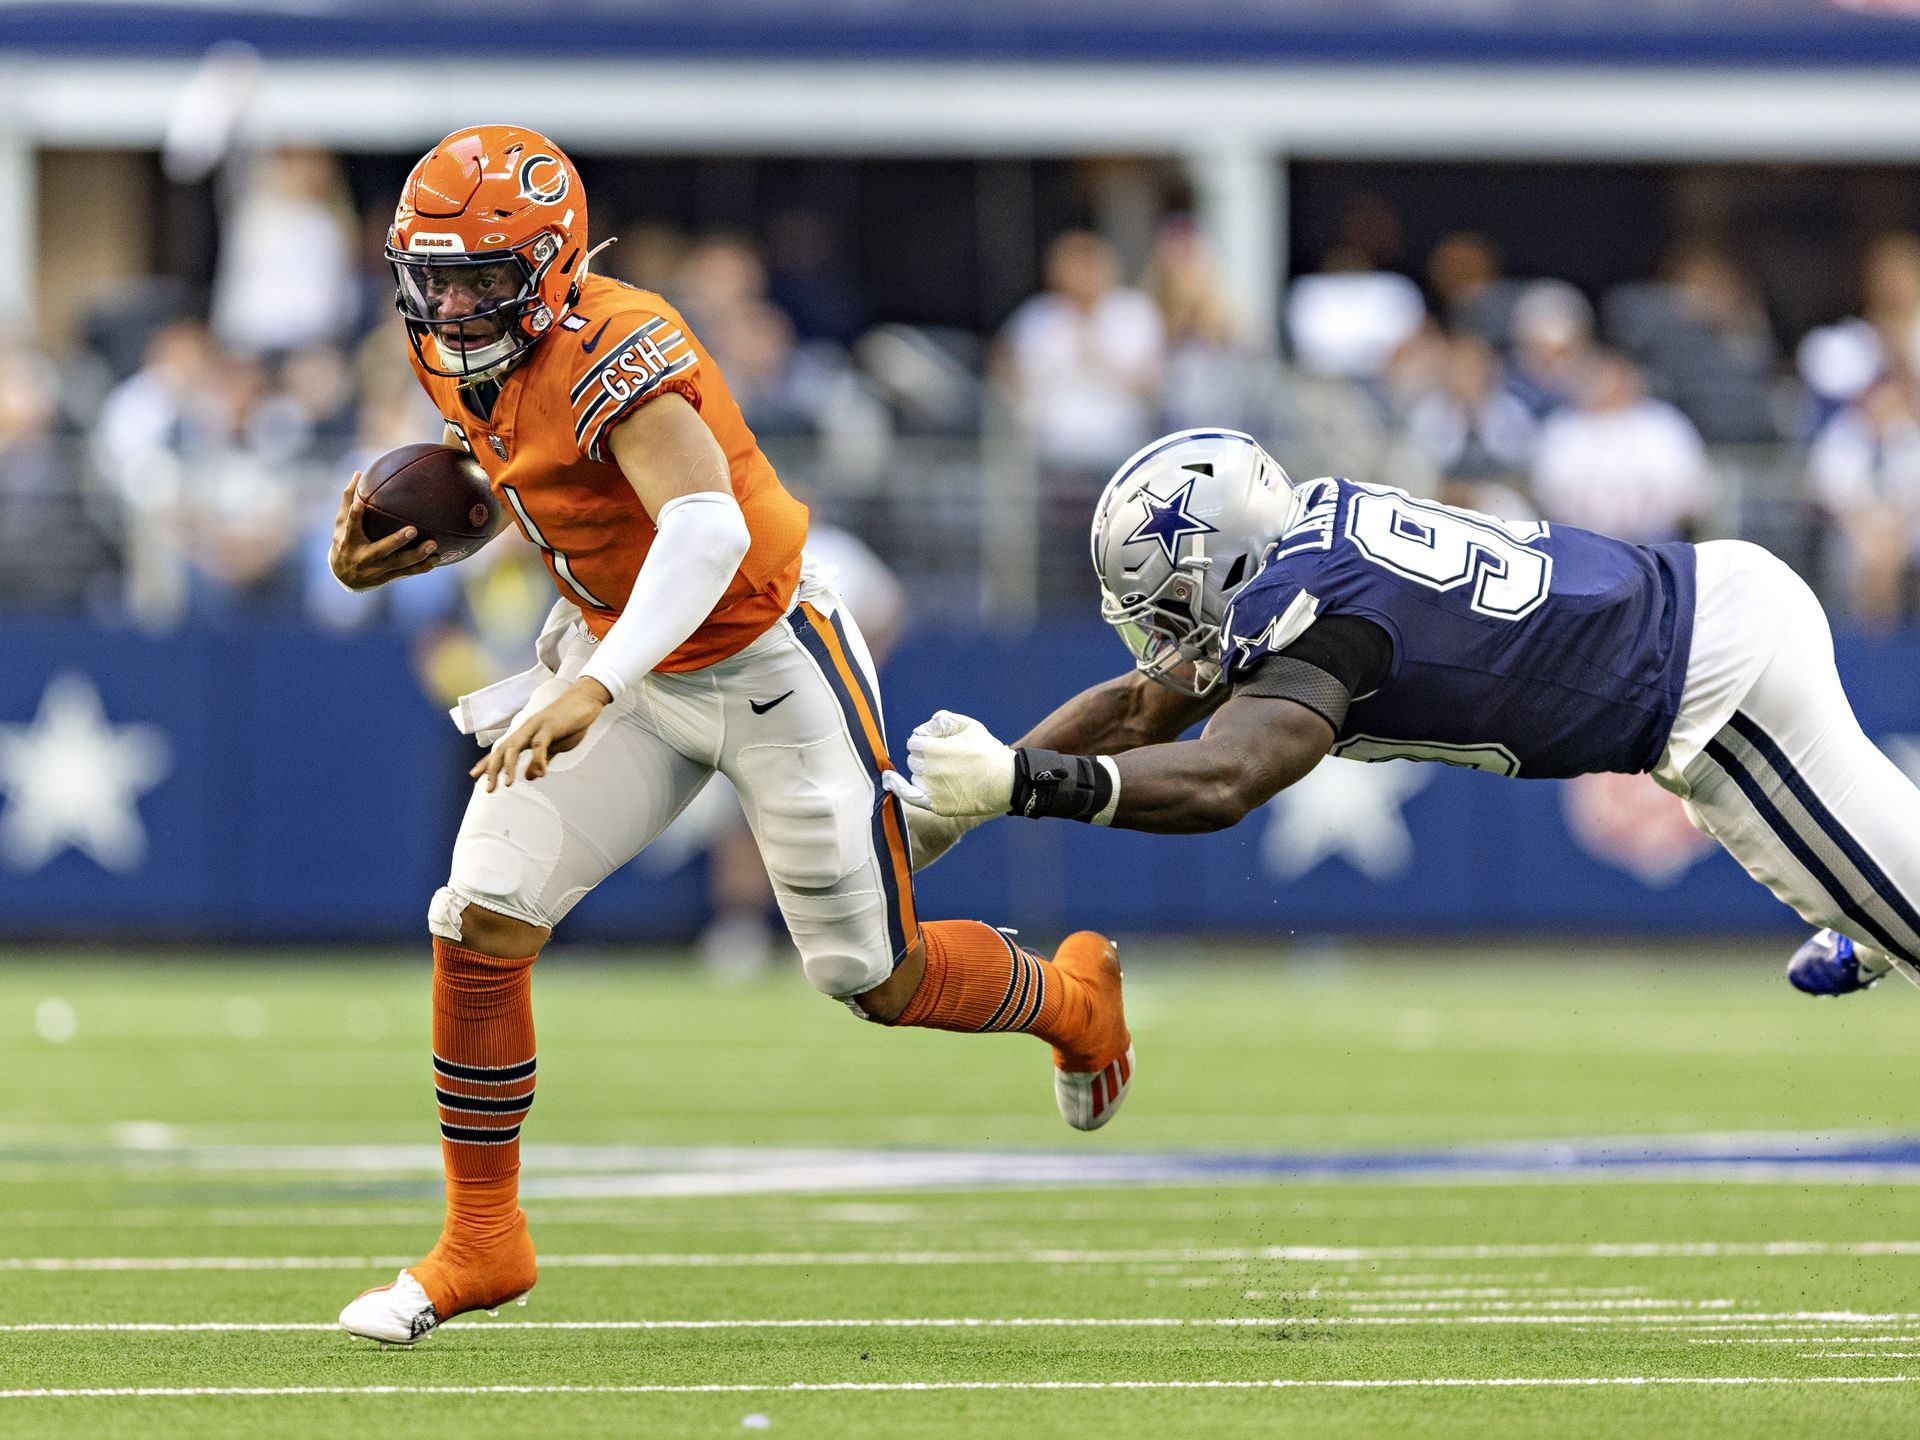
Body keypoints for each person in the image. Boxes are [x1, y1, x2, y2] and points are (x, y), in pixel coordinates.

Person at [328, 127, 1131, 1346]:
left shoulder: (620, 342)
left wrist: (595, 682)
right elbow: (527, 480)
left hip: (763, 655)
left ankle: (1072, 997)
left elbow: (699, 529)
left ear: (548, 266)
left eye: (482, 276)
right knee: (481, 908)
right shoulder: (452, 351)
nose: (451, 301)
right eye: (434, 274)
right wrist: (420, 542)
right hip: (623, 652)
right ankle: (482, 1239)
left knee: (871, 973)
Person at [897, 428, 1920, 1033]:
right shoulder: (1309, 543)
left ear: (1231, 563)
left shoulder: (1318, 620)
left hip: (1717, 686)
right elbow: (1138, 705)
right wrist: (973, 805)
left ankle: (1877, 910)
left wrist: (1024, 785)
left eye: (1170, 605)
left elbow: (1226, 781)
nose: (1162, 638)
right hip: (1704, 640)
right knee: (1876, 877)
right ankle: (1866, 904)